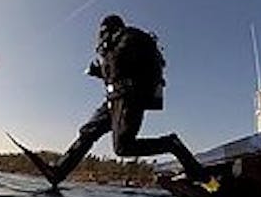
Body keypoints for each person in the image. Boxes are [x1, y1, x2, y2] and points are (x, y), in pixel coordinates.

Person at [20, 14, 207, 187]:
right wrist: (98, 72)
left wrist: (109, 66)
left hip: (129, 98)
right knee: (88, 132)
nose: (99, 39)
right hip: (113, 99)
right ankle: (59, 172)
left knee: (123, 148)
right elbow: (117, 72)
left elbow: (128, 67)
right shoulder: (114, 47)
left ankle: (174, 147)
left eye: (101, 32)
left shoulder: (127, 37)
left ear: (108, 29)